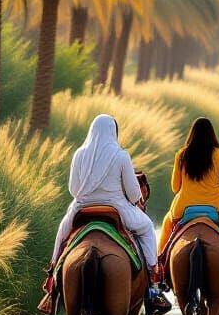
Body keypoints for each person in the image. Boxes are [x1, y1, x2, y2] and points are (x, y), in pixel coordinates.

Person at [51, 114, 159, 281]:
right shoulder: (121, 155)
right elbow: (133, 193)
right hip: (116, 208)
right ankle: (153, 276)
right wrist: (135, 197)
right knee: (147, 228)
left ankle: (52, 275)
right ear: (114, 132)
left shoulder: (79, 154)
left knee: (62, 234)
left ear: (92, 130)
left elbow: (73, 190)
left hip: (82, 207)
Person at [159, 117, 219, 279]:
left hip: (184, 206)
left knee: (167, 223)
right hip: (217, 206)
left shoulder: (181, 155)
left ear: (191, 134)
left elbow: (175, 187)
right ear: (212, 134)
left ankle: (160, 269)